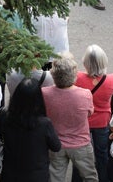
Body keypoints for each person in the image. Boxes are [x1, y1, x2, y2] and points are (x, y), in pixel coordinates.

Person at [42, 54, 98, 182]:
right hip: (81, 144)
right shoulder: (85, 94)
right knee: (90, 177)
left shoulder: (44, 93)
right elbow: (90, 112)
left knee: (55, 178)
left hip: (56, 144)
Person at [0, 78, 61, 181]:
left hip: (10, 173)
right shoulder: (44, 123)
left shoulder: (5, 118)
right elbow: (56, 146)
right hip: (36, 175)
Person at [72, 45, 113, 182]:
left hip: (84, 121)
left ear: (85, 62)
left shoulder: (78, 78)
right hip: (102, 121)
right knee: (102, 154)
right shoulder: (111, 79)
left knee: (80, 154)